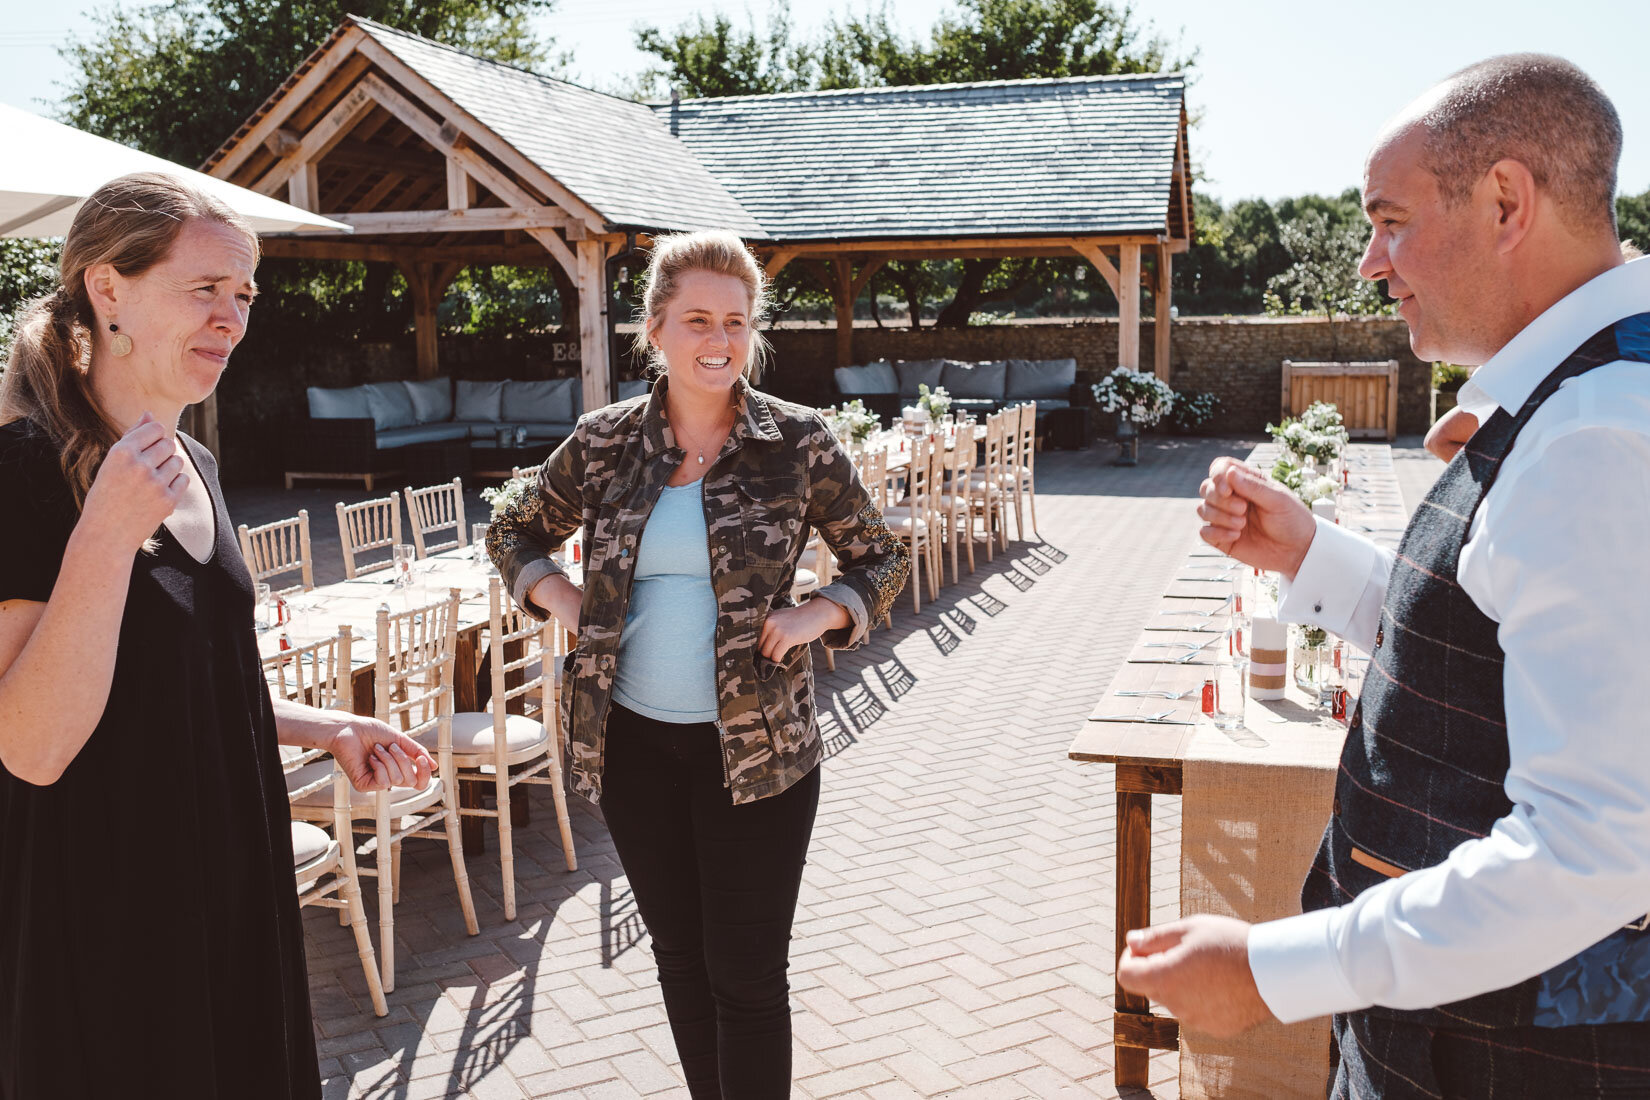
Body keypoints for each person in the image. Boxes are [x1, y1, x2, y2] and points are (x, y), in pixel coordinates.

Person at [1118, 55, 1650, 1096]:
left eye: (1391, 219)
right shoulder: (1583, 394)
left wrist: (1276, 969)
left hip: (1515, 1057)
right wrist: (1309, 553)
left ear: (1506, 201)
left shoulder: (1596, 433)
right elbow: (1495, 644)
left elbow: (1593, 844)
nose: (1370, 260)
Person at [0, 173, 436, 1099]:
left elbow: (188, 676)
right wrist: (106, 536)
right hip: (110, 911)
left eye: (243, 297)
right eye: (204, 290)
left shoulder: (193, 461)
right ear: (105, 289)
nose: (231, 320)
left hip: (232, 878)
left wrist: (326, 728)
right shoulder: (24, 467)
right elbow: (31, 745)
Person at [488, 230, 908, 1098]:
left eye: (736, 322)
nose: (719, 340)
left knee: (747, 976)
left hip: (758, 757)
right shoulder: (604, 443)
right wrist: (558, 596)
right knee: (679, 957)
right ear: (656, 329)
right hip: (634, 748)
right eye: (698, 320)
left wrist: (819, 611)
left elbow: (881, 554)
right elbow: (511, 526)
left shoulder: (797, 442)